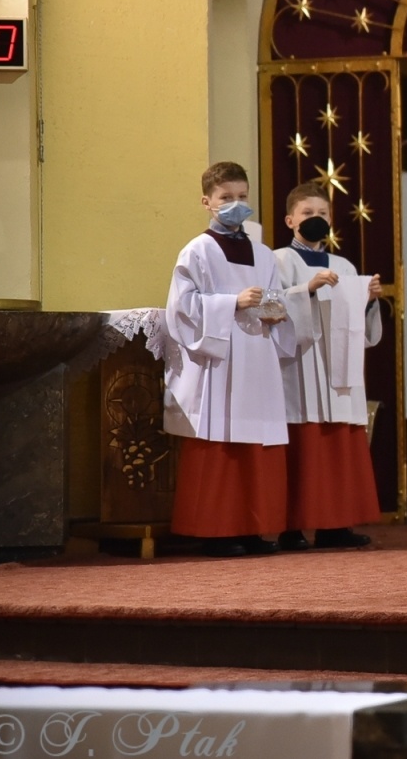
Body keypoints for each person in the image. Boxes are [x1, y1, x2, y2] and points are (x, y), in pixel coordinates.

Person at [163, 162, 295, 557]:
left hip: (257, 353)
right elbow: (181, 310)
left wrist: (276, 311)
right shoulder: (197, 250)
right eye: (226, 198)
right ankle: (218, 532)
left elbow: (276, 299)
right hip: (220, 357)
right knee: (223, 445)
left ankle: (256, 528)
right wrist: (230, 303)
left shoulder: (263, 253)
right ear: (207, 202)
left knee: (258, 443)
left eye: (242, 197)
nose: (236, 205)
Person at [273, 182, 385, 550]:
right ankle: (292, 527)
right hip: (299, 365)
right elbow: (273, 308)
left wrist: (367, 300)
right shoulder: (279, 261)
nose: (315, 219)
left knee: (337, 443)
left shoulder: (344, 264)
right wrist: (306, 289)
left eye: (322, 214)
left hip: (337, 365)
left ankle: (335, 524)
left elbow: (359, 329)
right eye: (307, 213)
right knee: (303, 446)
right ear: (291, 220)